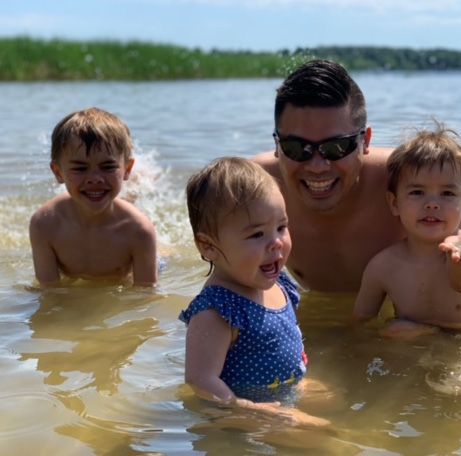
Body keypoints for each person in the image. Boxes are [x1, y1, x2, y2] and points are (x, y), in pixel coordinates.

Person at [254, 59, 461, 293]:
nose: (317, 166)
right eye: (296, 147)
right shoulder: (251, 188)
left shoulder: (409, 181)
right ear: (277, 143)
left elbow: (460, 283)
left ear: (365, 141)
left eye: (336, 147)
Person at [180, 157, 327, 426]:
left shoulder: (280, 284)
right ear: (208, 246)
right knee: (333, 442)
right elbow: (200, 381)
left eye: (281, 227)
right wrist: (246, 409)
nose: (276, 243)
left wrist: (302, 381)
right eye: (257, 235)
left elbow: (285, 342)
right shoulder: (217, 311)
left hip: (281, 397)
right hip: (243, 424)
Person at [353, 123, 461, 336]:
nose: (432, 204)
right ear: (394, 203)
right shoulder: (382, 267)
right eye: (417, 192)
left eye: (447, 193)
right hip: (418, 342)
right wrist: (384, 331)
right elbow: (360, 324)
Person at [29, 107, 157, 287]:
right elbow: (49, 290)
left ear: (127, 169)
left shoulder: (139, 231)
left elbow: (145, 294)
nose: (95, 179)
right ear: (58, 172)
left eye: (107, 167)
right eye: (80, 168)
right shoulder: (44, 224)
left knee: (161, 259)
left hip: (144, 265)